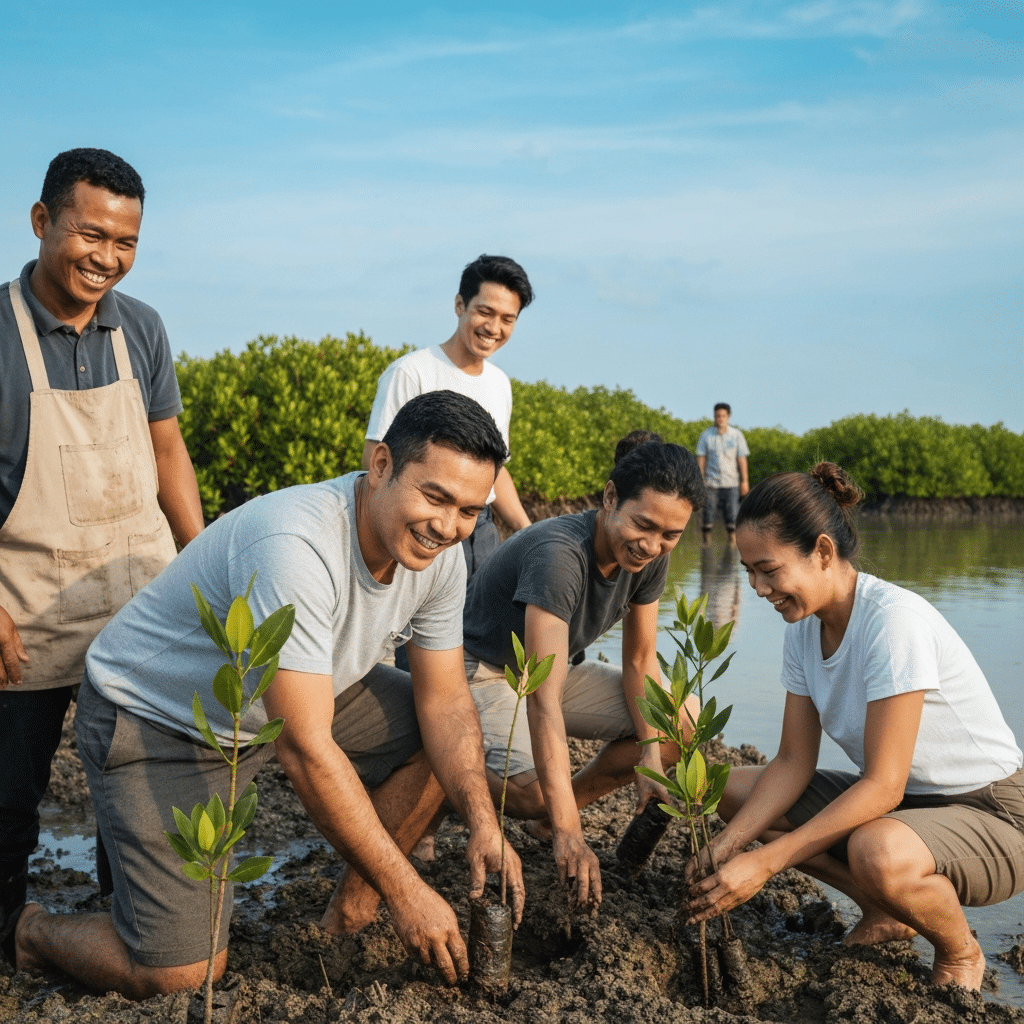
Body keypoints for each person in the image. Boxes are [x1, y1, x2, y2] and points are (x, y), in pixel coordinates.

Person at [11, 390, 526, 998]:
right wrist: (406, 888)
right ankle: (34, 931)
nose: (447, 526)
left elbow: (444, 703)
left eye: (469, 510)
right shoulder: (297, 544)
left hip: (289, 699)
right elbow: (305, 749)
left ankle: (351, 908)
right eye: (434, 496)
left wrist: (481, 818)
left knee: (439, 746)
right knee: (181, 974)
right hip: (162, 718)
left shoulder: (440, 556)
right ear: (382, 465)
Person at [686, 463, 1024, 992]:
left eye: (768, 570)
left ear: (822, 551)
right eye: (748, 571)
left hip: (992, 812)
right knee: (729, 792)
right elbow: (794, 763)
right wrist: (731, 844)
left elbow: (883, 784)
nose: (756, 588)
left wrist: (766, 863)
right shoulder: (803, 627)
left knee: (877, 851)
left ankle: (960, 952)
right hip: (905, 809)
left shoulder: (892, 623)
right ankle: (884, 909)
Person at [0, 149, 204, 962]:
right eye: (91, 234)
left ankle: (131, 928)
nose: (107, 258)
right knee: (10, 799)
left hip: (138, 610)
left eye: (126, 242)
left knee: (137, 789)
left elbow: (168, 454)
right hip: (27, 610)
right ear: (42, 221)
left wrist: (201, 562)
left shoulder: (141, 326)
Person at [461, 430, 705, 907]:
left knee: (682, 721)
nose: (652, 545)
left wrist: (652, 759)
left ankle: (550, 818)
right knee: (531, 792)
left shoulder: (650, 557)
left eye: (670, 535)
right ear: (610, 497)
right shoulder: (560, 555)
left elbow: (639, 660)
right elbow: (543, 699)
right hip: (481, 669)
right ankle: (440, 764)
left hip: (543, 672)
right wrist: (573, 837)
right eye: (644, 525)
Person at [363, 254, 534, 580]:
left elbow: (495, 471)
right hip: (420, 519)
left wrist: (528, 532)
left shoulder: (500, 384)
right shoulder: (411, 371)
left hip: (478, 525)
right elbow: (374, 459)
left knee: (480, 625)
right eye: (485, 311)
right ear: (460, 305)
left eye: (507, 319)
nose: (493, 328)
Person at [695, 403, 749, 543]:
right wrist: (700, 480)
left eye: (723, 416)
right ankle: (706, 544)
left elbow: (742, 459)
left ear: (728, 417)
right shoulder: (706, 435)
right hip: (711, 482)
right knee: (708, 513)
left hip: (731, 482)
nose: (720, 419)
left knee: (732, 515)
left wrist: (745, 481)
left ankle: (732, 544)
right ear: (714, 417)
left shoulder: (736, 435)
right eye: (717, 416)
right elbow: (701, 458)